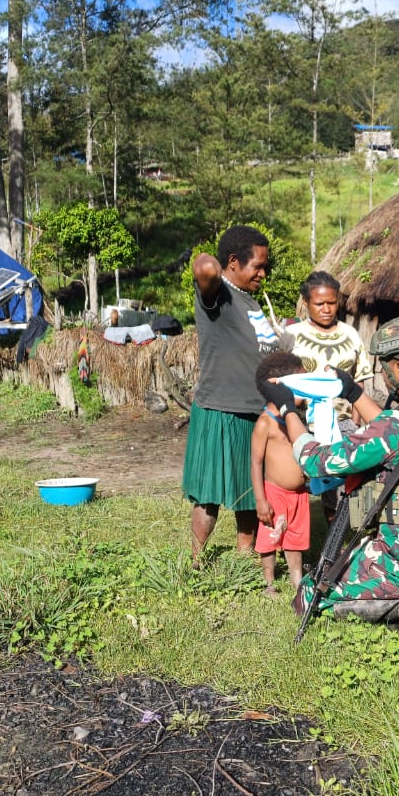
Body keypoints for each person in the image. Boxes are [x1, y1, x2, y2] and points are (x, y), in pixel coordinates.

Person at [259, 315, 399, 633]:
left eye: (384, 365)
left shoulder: (398, 425)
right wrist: (352, 391)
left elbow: (316, 461)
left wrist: (288, 410)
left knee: (309, 596)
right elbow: (389, 432)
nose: (381, 371)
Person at [182, 225, 281, 562]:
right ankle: (194, 562)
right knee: (208, 494)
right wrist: (209, 263)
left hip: (254, 411)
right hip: (221, 409)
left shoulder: (249, 300)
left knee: (249, 493)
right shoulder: (218, 296)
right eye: (258, 266)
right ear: (235, 262)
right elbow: (205, 270)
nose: (263, 274)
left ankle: (243, 559)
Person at [287, 271, 370, 521]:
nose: (326, 309)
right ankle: (294, 544)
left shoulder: (350, 334)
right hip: (303, 423)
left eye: (331, 303)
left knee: (344, 488)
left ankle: (337, 542)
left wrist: (356, 422)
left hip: (344, 423)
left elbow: (361, 378)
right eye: (319, 303)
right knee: (297, 484)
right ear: (306, 303)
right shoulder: (291, 336)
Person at [250, 351, 312, 598]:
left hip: (299, 494)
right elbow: (255, 463)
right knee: (270, 538)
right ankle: (269, 583)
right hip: (275, 494)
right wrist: (260, 499)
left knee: (295, 539)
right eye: (300, 385)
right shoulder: (265, 423)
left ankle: (297, 580)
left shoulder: (296, 420)